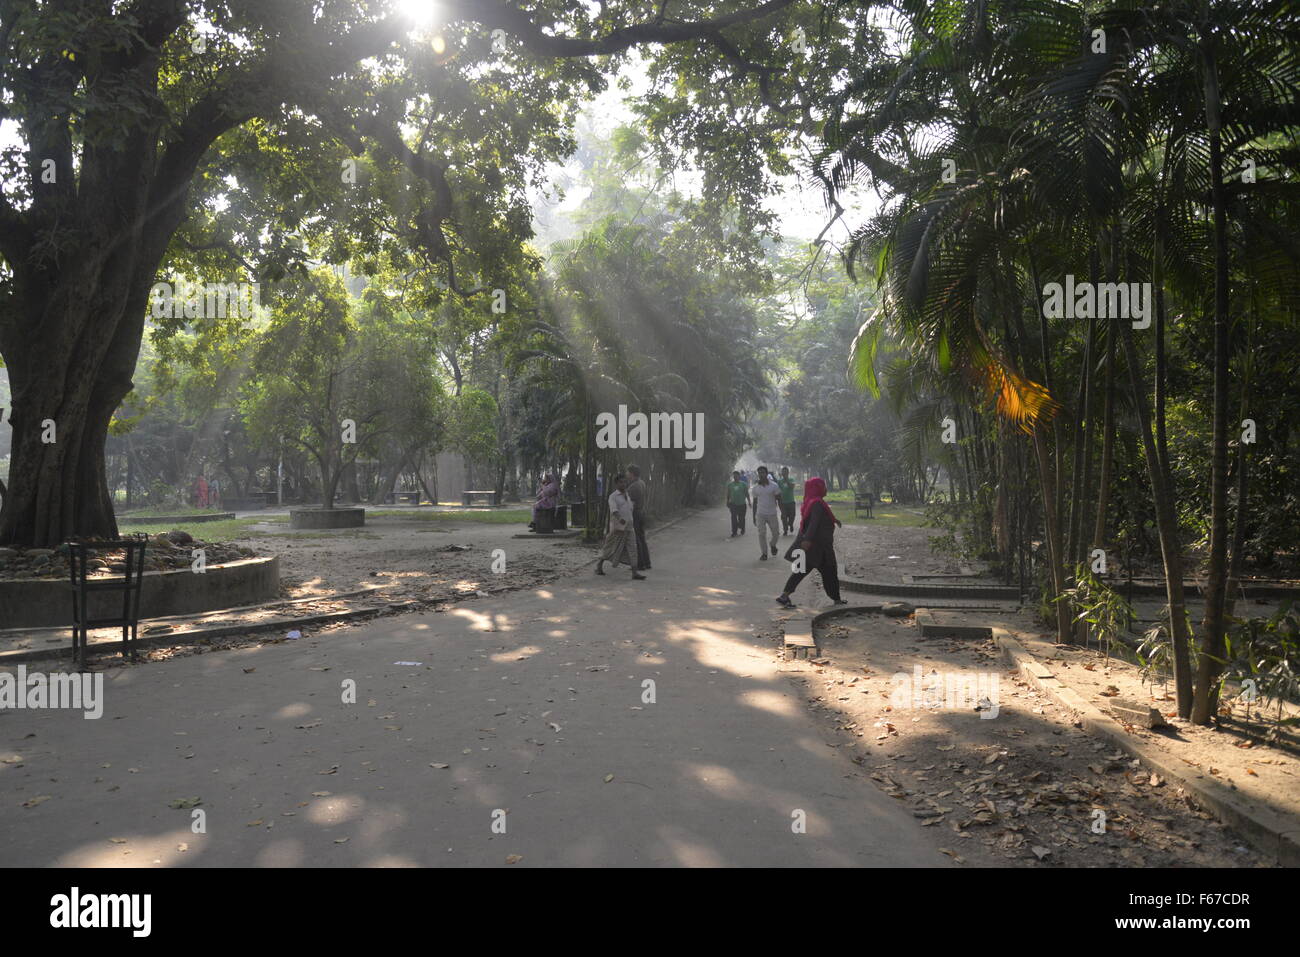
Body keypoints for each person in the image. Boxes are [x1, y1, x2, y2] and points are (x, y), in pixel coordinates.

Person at [777, 476, 847, 607]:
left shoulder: (811, 501)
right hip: (817, 547)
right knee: (830, 571)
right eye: (823, 486)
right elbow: (813, 524)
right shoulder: (817, 503)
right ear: (816, 488)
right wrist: (808, 540)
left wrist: (834, 520)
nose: (825, 489)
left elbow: (815, 520)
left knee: (799, 571)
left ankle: (784, 596)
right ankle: (836, 599)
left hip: (811, 546)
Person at [595, 474, 646, 580]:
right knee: (610, 548)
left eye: (624, 482)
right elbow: (614, 511)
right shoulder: (613, 496)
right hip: (618, 528)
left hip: (629, 527)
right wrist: (620, 519)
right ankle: (599, 565)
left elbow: (630, 508)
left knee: (633, 549)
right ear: (616, 484)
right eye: (621, 482)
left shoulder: (627, 495)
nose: (624, 484)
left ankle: (634, 573)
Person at [751, 465, 782, 560]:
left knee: (776, 534)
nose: (761, 474)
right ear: (758, 474)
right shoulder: (755, 488)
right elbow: (755, 502)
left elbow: (779, 499)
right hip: (760, 514)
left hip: (772, 513)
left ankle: (773, 544)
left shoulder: (774, 486)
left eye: (763, 472)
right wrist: (754, 516)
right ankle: (764, 553)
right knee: (761, 534)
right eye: (759, 473)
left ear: (766, 473)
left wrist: (783, 513)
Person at [625, 464, 650, 570]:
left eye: (628, 472)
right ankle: (646, 562)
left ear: (632, 473)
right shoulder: (642, 483)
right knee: (641, 538)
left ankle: (639, 564)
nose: (626, 474)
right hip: (641, 512)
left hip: (635, 514)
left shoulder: (634, 486)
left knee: (636, 539)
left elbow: (630, 503)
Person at [726, 471, 749, 536]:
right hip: (733, 504)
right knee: (733, 518)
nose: (735, 477)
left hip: (742, 504)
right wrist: (727, 501)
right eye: (734, 476)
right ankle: (734, 532)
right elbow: (728, 494)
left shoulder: (743, 484)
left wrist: (749, 501)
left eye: (736, 475)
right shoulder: (730, 485)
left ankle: (742, 528)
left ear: (739, 476)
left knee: (741, 518)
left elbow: (746, 493)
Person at [777, 466, 798, 534]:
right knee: (784, 516)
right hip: (783, 502)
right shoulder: (779, 481)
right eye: (783, 472)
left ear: (788, 473)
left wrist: (786, 480)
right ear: (781, 473)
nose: (784, 473)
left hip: (791, 501)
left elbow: (792, 486)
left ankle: (791, 524)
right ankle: (785, 530)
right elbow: (777, 491)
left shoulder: (791, 479)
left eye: (786, 472)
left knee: (792, 515)